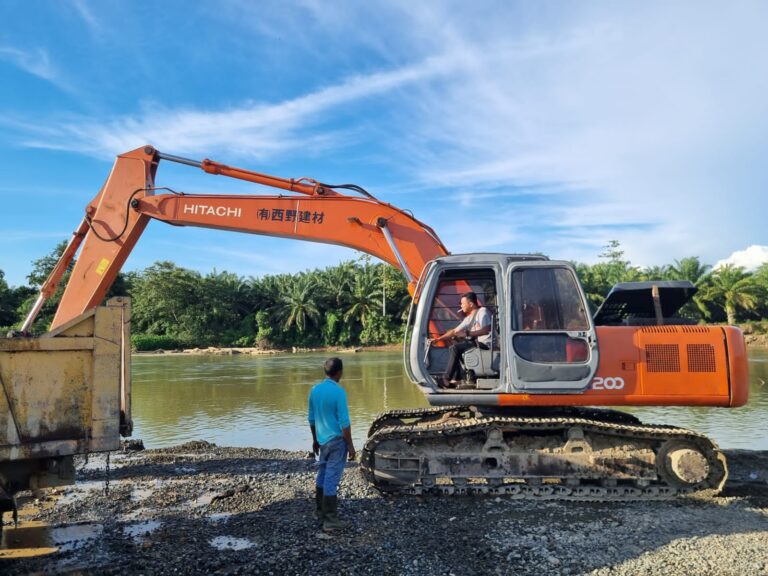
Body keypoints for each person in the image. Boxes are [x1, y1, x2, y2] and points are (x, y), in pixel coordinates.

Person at [308, 357, 356, 531]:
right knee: (331, 477)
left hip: (322, 440)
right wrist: (350, 446)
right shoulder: (339, 392)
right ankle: (330, 520)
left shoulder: (314, 390)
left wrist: (314, 440)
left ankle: (320, 511)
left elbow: (311, 418)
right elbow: (344, 423)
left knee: (322, 473)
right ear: (339, 373)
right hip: (336, 441)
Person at [430, 291, 492, 389]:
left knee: (456, 348)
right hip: (477, 343)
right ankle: (456, 379)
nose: (461, 305)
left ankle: (446, 378)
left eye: (463, 303)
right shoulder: (469, 317)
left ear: (471, 304)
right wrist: (438, 339)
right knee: (452, 347)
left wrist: (467, 333)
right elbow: (455, 331)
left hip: (485, 344)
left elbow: (486, 330)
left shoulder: (482, 312)